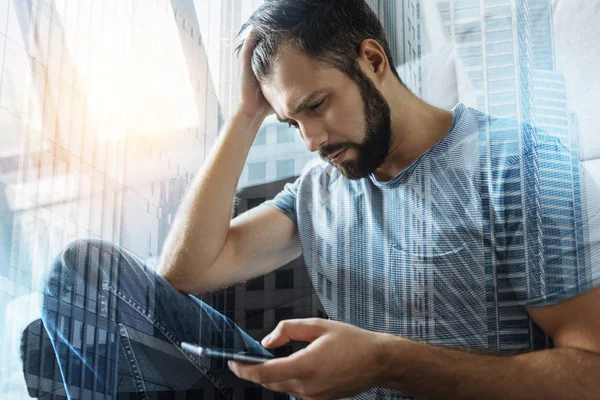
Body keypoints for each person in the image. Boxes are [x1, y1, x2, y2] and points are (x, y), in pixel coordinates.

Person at [40, 0, 600, 399]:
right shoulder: (318, 189)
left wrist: (388, 361)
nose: (311, 139)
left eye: (317, 104)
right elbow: (186, 271)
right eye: (291, 121)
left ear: (373, 60)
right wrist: (246, 116)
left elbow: (590, 372)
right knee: (84, 278)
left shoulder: (515, 163)